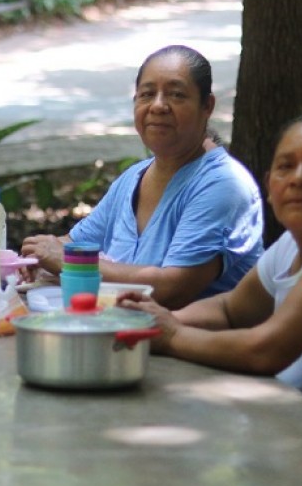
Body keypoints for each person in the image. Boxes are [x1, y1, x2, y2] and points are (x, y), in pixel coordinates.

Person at [120, 113, 302, 411]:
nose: (299, 178)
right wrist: (150, 320)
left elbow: (266, 350)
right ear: (269, 186)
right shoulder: (292, 245)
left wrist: (173, 335)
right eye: (285, 167)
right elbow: (230, 310)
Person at [21, 45, 264, 309]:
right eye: (147, 94)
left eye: (176, 94)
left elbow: (172, 288)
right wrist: (37, 258)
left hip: (191, 346)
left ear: (207, 106)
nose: (158, 106)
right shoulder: (133, 178)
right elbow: (74, 244)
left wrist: (67, 261)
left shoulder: (223, 185)